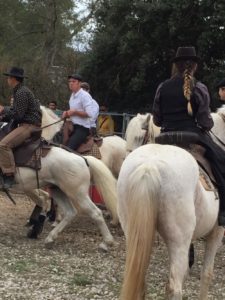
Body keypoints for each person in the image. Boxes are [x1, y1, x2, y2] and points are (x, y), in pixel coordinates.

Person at [152, 46, 225, 226]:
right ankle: (223, 211)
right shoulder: (199, 88)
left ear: (176, 66)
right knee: (221, 162)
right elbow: (206, 122)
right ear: (194, 67)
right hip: (192, 136)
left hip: (165, 136)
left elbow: (157, 120)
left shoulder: (162, 87)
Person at [0, 66, 42, 188]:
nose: (7, 79)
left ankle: (9, 175)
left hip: (29, 126)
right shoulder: (20, 91)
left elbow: (18, 115)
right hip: (26, 124)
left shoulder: (21, 92)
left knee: (3, 145)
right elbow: (15, 111)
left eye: (9, 77)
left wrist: (2, 117)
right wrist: (4, 112)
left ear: (13, 79)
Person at [62, 74, 95, 150]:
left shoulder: (85, 96)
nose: (71, 83)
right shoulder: (72, 96)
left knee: (68, 149)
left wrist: (75, 112)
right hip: (72, 127)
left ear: (79, 83)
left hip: (82, 128)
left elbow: (90, 114)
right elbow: (73, 112)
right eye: (69, 81)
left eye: (73, 81)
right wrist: (67, 113)